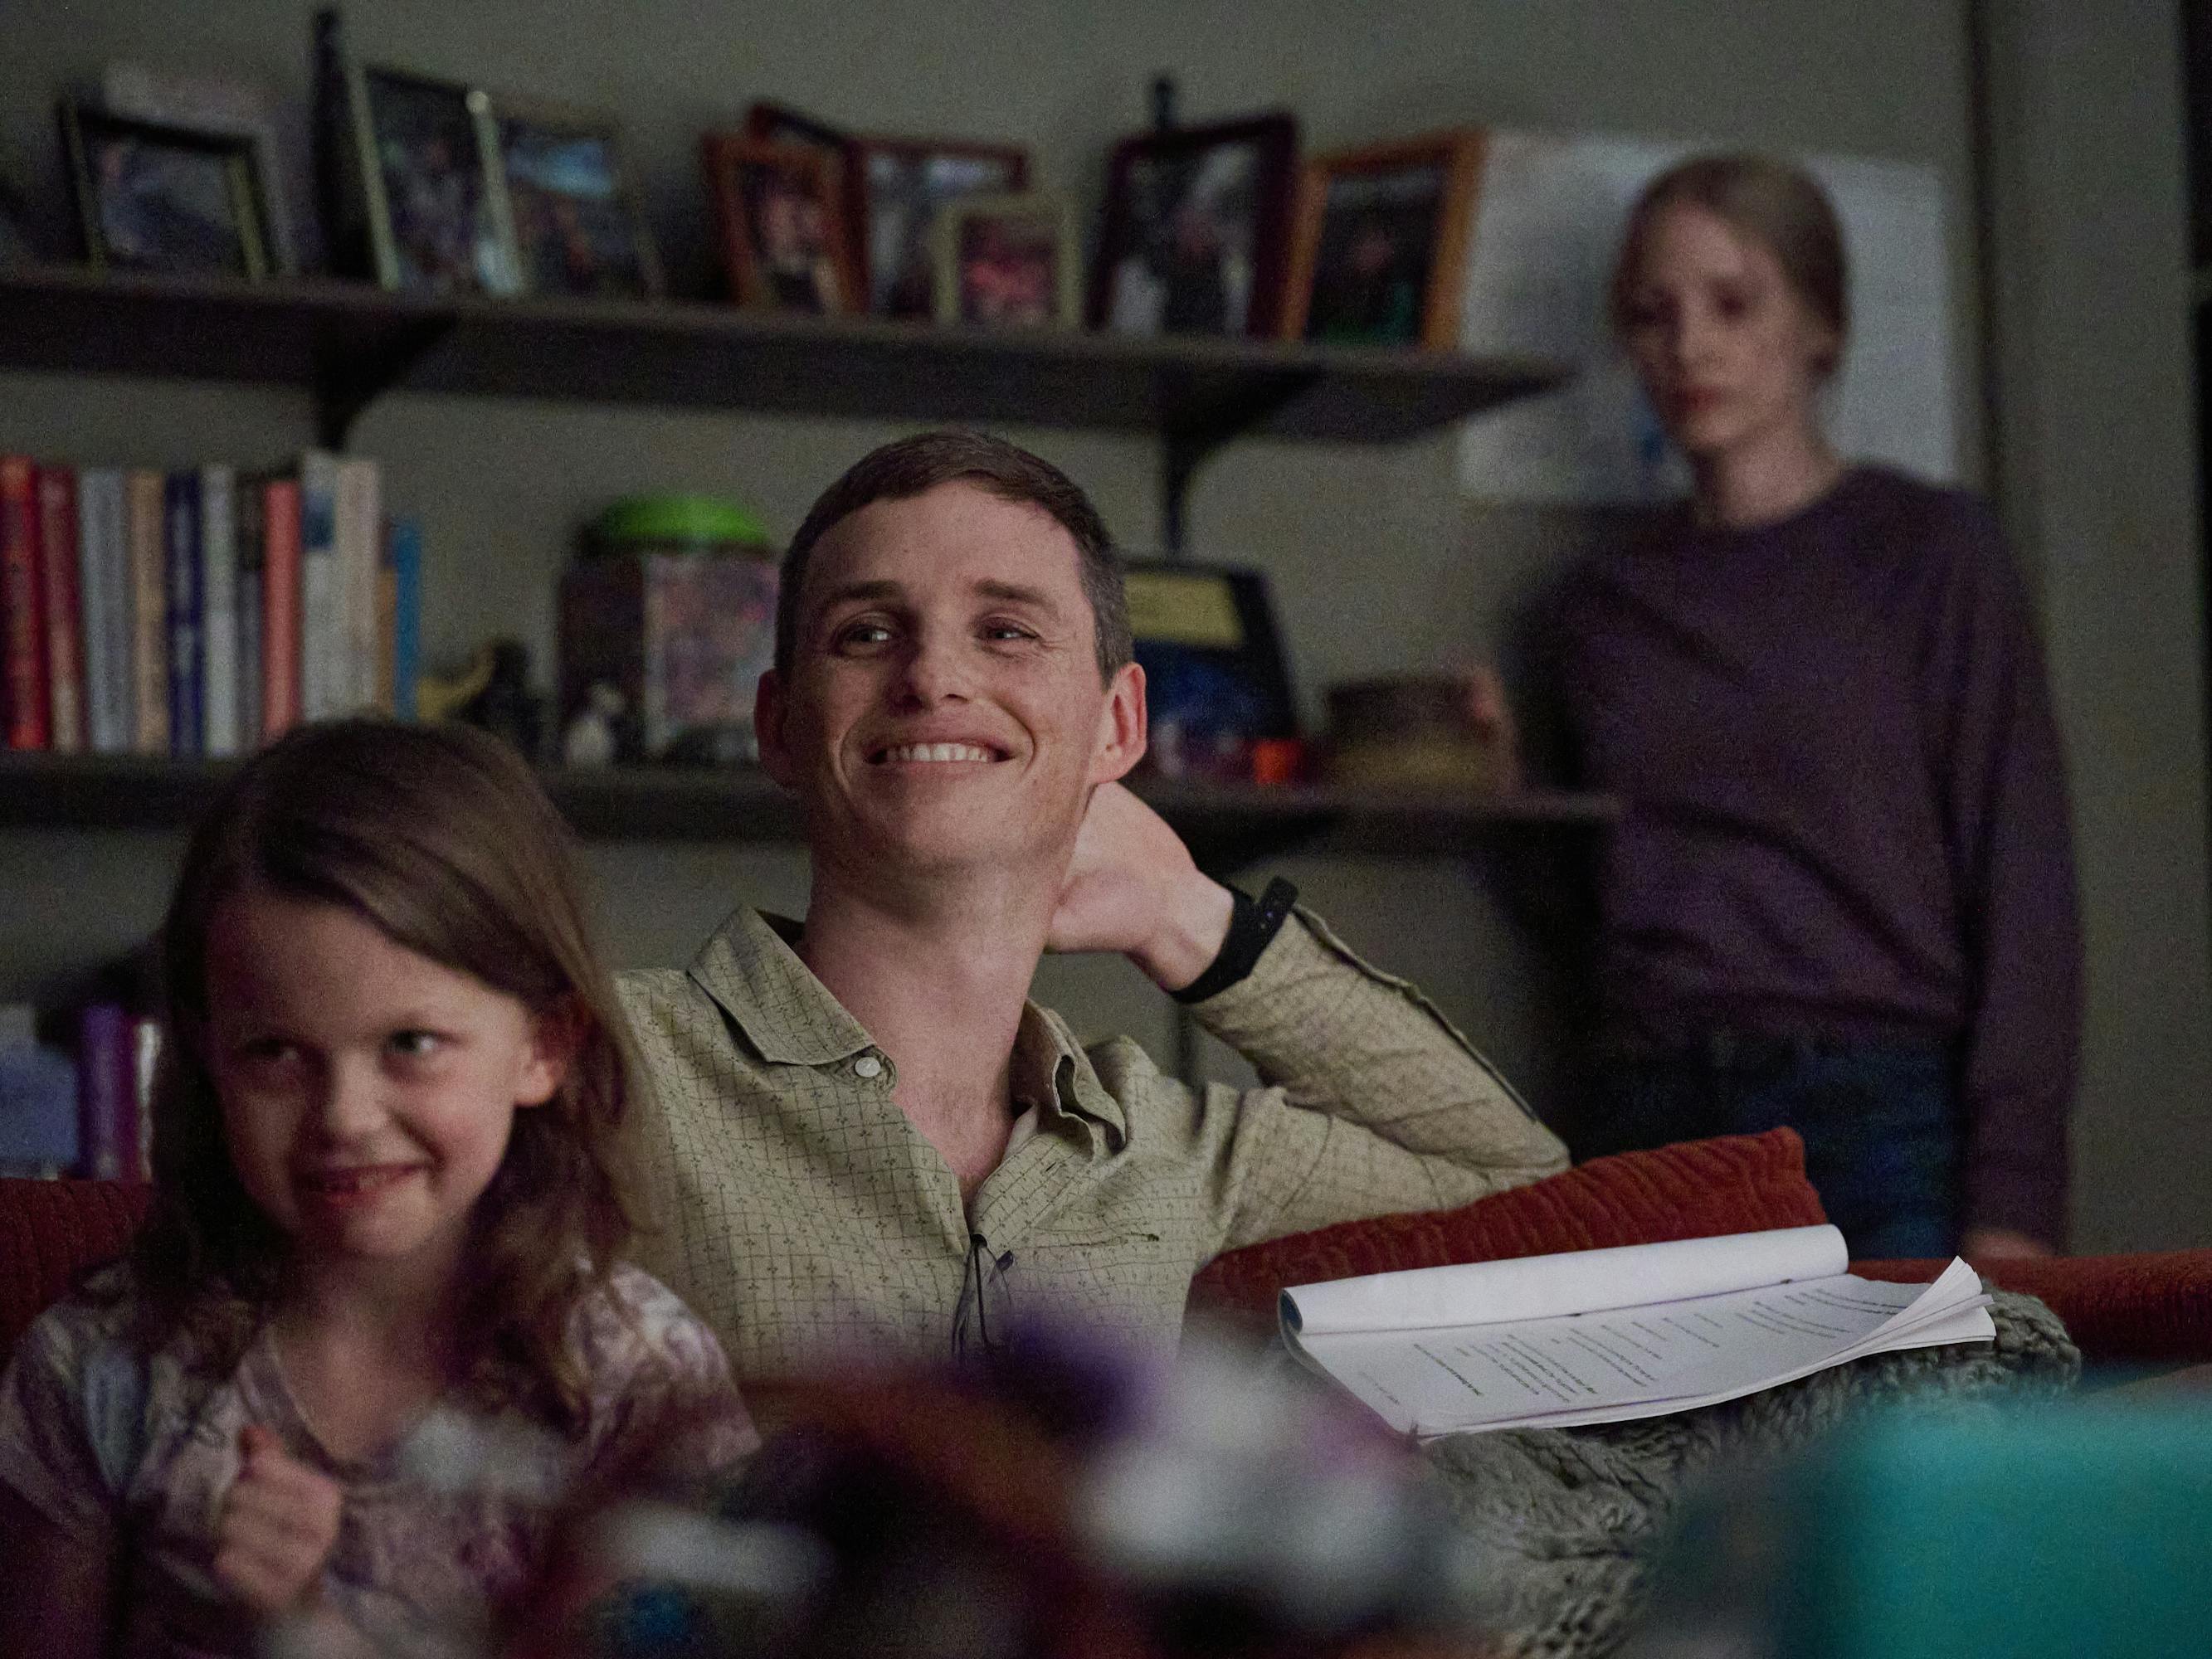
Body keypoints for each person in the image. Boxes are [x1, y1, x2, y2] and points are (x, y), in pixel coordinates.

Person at [618, 430, 1568, 1379]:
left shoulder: (1162, 1147)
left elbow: (1505, 1174)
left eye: (1005, 631)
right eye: (866, 633)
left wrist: (1185, 916)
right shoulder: (608, 1066)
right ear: (777, 726)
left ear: (1116, 725)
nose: (932, 677)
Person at [0, 721, 757, 1659]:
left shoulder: (638, 1380)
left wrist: (305, 1631)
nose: (344, 1117)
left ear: (543, 1045)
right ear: (206, 1055)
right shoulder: (102, 1368)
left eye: (411, 1044)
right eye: (275, 1051)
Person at [1548, 153, 2080, 1259]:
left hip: (1875, 1110)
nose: (1689, 346)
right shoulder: (1599, 605)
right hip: (1649, 1114)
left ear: (1819, 325)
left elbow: (2022, 884)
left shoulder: (1931, 555)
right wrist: (1507, 787)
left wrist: (2014, 1203)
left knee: (1902, 1433)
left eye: (1733, 304)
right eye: (1653, 314)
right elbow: (1596, 906)